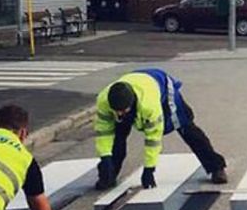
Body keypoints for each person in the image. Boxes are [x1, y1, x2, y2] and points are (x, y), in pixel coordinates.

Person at [94, 69, 228, 190]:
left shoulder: (149, 105)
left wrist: (149, 169)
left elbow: (153, 138)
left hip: (161, 85)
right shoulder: (104, 102)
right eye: (117, 111)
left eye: (123, 111)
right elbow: (103, 133)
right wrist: (106, 157)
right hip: (136, 82)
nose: (120, 115)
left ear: (132, 103)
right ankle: (109, 175)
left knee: (186, 128)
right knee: (118, 136)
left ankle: (216, 167)